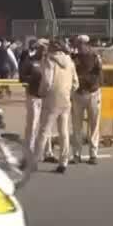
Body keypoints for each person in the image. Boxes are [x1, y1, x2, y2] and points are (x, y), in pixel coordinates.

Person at [33, 39, 79, 174]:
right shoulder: (69, 61)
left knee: (44, 131)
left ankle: (34, 161)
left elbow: (47, 82)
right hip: (65, 100)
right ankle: (63, 162)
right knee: (64, 132)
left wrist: (41, 93)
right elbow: (76, 83)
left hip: (51, 100)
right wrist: (68, 92)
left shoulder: (49, 60)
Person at [71, 34, 103, 165]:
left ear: (87, 44)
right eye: (78, 43)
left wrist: (90, 83)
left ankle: (93, 154)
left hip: (92, 93)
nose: (79, 46)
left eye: (81, 43)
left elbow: (100, 74)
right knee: (76, 126)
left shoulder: (95, 57)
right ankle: (76, 154)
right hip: (78, 94)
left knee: (94, 125)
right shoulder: (73, 58)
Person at [18, 38, 51, 157]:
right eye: (42, 48)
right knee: (32, 125)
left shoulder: (49, 62)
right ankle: (29, 151)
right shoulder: (30, 61)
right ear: (38, 48)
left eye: (46, 48)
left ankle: (47, 152)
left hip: (47, 98)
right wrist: (33, 79)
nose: (44, 50)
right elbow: (22, 78)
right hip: (33, 97)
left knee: (46, 126)